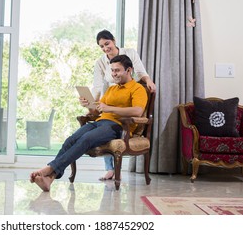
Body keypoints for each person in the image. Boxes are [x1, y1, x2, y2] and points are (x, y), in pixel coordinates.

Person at [30, 55, 148, 192]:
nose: (113, 74)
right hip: (100, 122)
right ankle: (50, 178)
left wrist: (109, 108)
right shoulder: (112, 89)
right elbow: (98, 110)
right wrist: (88, 106)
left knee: (86, 139)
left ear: (129, 70)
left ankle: (50, 168)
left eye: (117, 70)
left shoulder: (137, 88)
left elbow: (138, 111)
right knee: (70, 140)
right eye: (112, 70)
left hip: (117, 126)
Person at [92, 29, 156, 180]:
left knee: (109, 127)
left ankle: (114, 168)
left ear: (113, 40)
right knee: (104, 124)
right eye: (101, 46)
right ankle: (109, 168)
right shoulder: (100, 62)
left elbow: (140, 71)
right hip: (111, 94)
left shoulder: (130, 53)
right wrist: (93, 105)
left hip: (127, 96)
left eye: (107, 44)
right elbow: (97, 86)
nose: (105, 48)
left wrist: (148, 81)